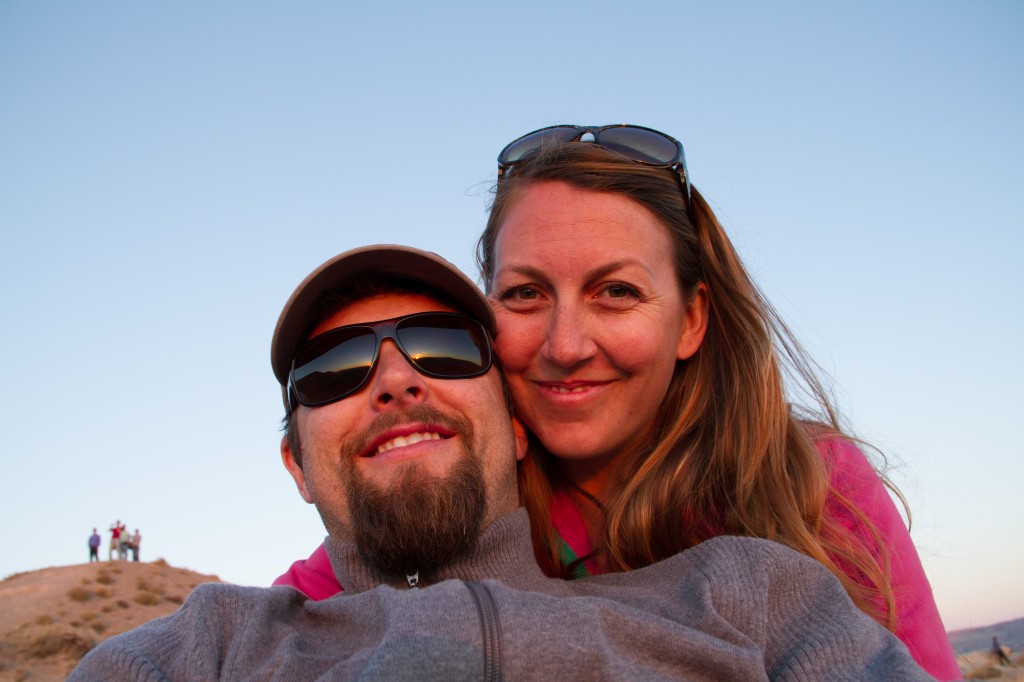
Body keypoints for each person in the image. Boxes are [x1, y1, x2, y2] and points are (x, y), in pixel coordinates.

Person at [275, 126, 960, 681]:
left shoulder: (809, 482)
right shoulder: (472, 493)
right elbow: (304, 611)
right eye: (525, 295)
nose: (566, 344)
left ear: (691, 321)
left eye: (617, 292)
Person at [68, 245, 929, 680]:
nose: (398, 381)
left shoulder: (743, 596)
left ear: (517, 427)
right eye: (333, 370)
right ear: (296, 465)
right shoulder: (208, 649)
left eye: (442, 349)